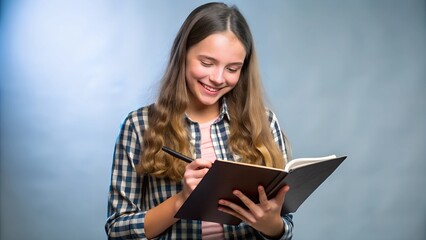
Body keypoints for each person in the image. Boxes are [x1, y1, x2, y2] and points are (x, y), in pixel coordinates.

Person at [105, 2, 294, 239]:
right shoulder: (139, 126)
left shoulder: (263, 123)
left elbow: (284, 228)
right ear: (183, 54)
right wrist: (181, 200)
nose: (217, 78)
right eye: (207, 63)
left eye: (232, 68)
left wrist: (269, 223)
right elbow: (117, 230)